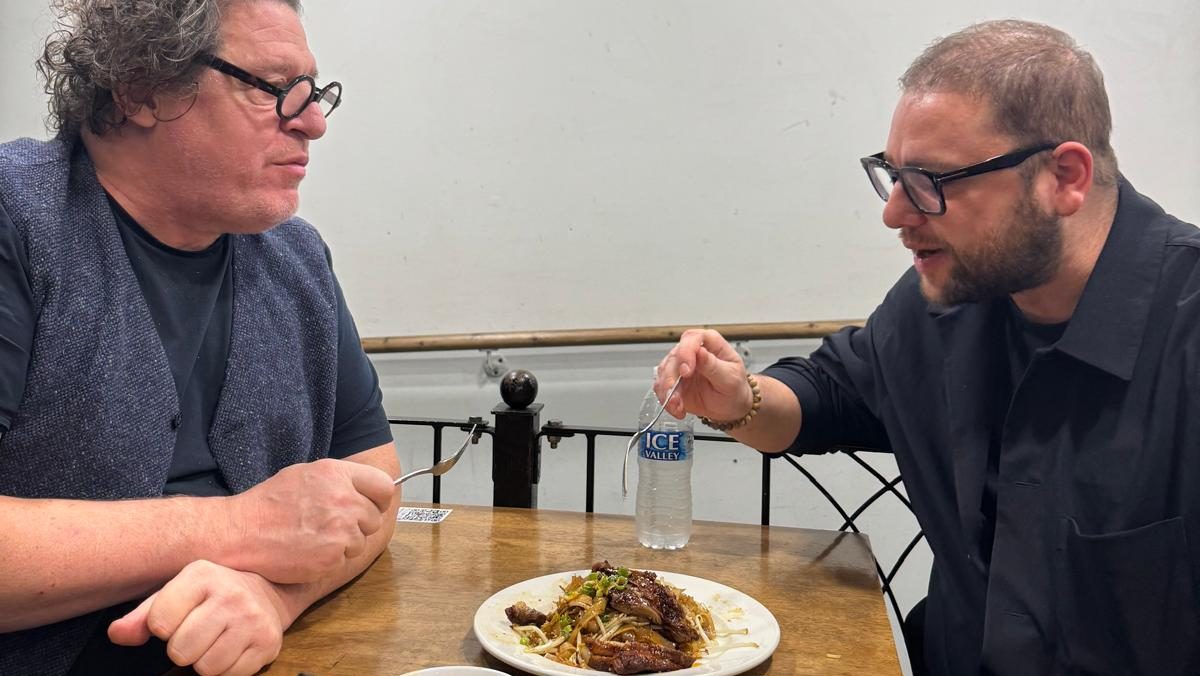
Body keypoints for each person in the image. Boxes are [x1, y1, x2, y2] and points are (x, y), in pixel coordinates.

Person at [655, 19, 1200, 676]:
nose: (894, 214)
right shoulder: (944, 304)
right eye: (893, 175)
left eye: (932, 181)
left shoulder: (1183, 336)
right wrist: (740, 398)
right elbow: (830, 392)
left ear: (1064, 176)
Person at [0, 0, 401, 674]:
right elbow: (291, 518)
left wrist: (274, 596)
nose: (313, 122)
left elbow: (375, 485)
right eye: (274, 89)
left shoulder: (296, 258)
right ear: (141, 88)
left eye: (315, 92)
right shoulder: (19, 222)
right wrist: (238, 528)